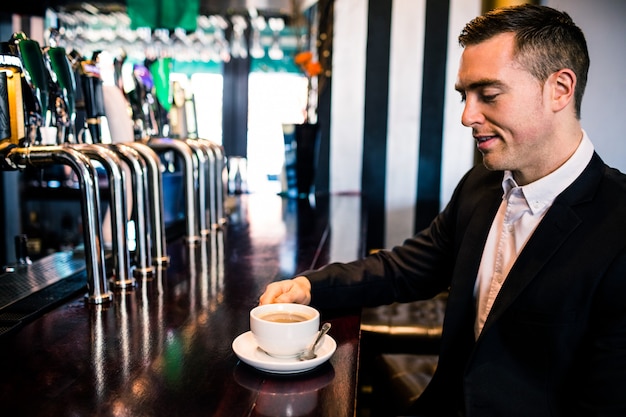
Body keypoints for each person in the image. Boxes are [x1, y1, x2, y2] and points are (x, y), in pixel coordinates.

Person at [260, 4, 626, 417]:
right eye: (464, 96)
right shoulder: (481, 186)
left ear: (559, 88)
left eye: (488, 95)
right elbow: (407, 269)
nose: (468, 116)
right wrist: (310, 286)